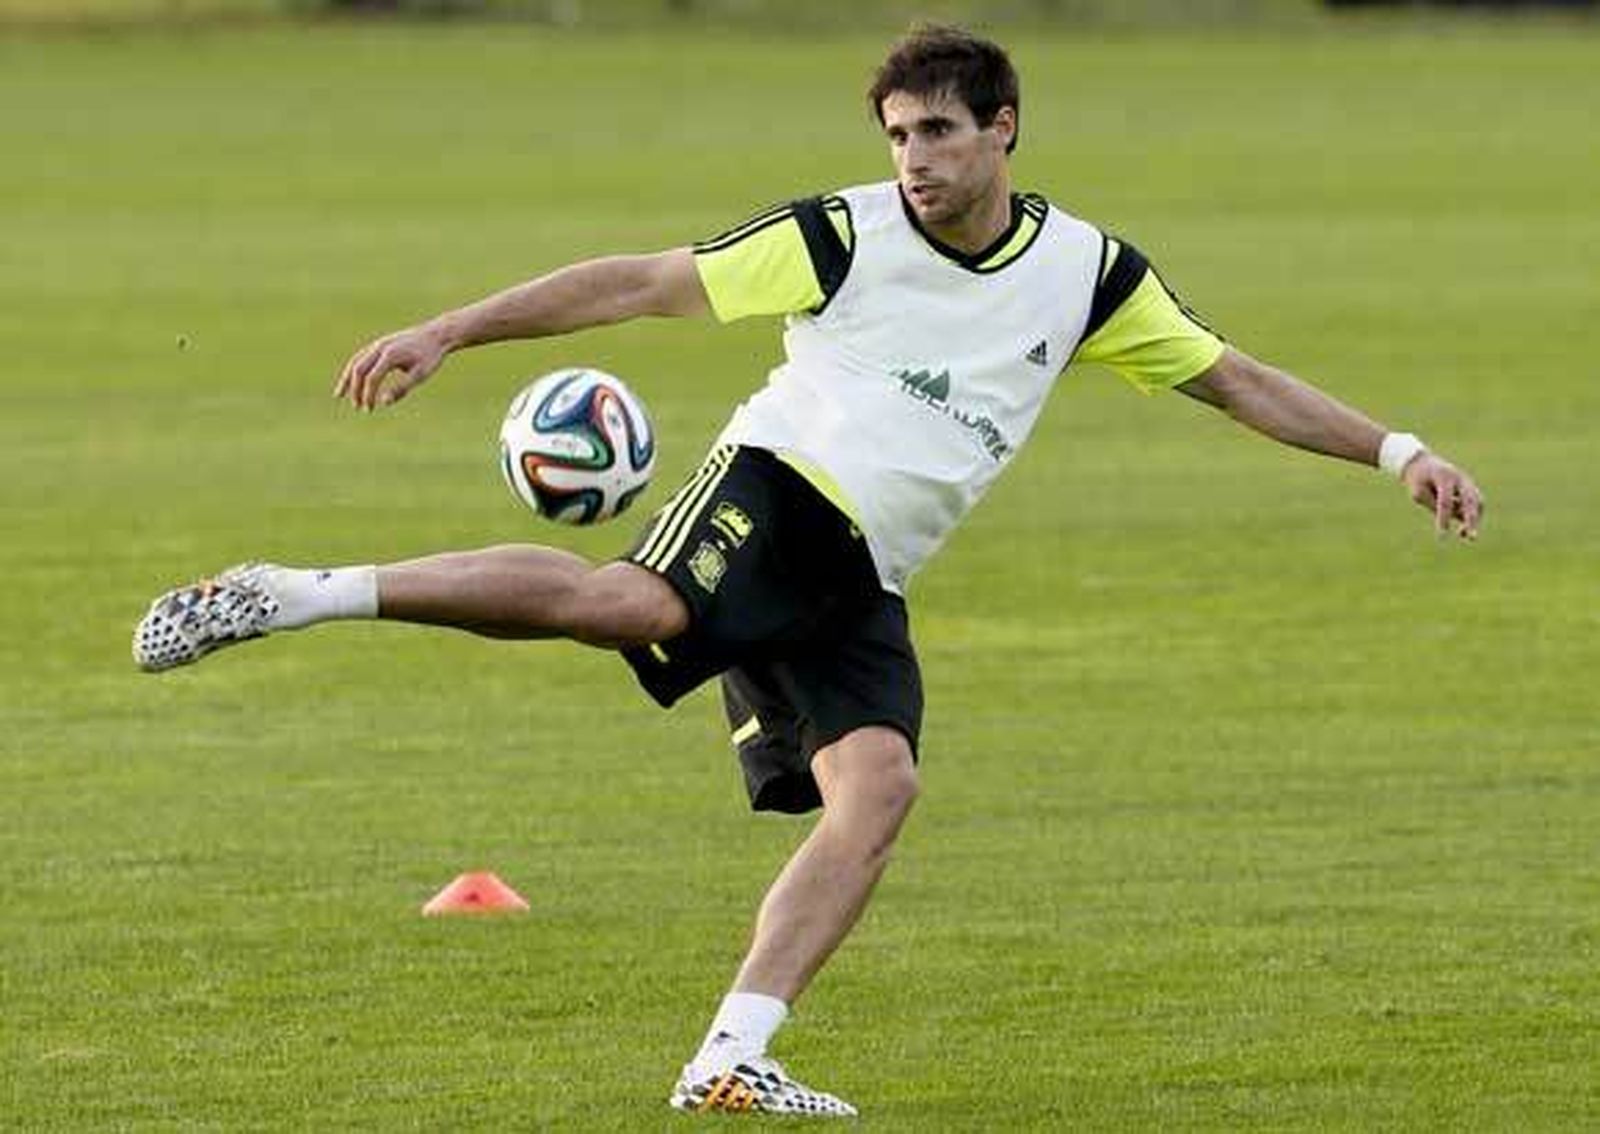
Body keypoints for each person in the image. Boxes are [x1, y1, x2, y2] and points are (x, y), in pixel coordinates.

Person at [133, 24, 1484, 1119]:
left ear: (1003, 126)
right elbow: (639, 281)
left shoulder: (1087, 275)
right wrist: (450, 328)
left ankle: (729, 1054)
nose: (916, 161)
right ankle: (299, 588)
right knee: (631, 603)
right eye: (898, 137)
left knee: (877, 792)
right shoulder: (841, 235)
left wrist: (1398, 449)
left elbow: (1233, 379)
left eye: (938, 132)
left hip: (869, 568)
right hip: (784, 486)